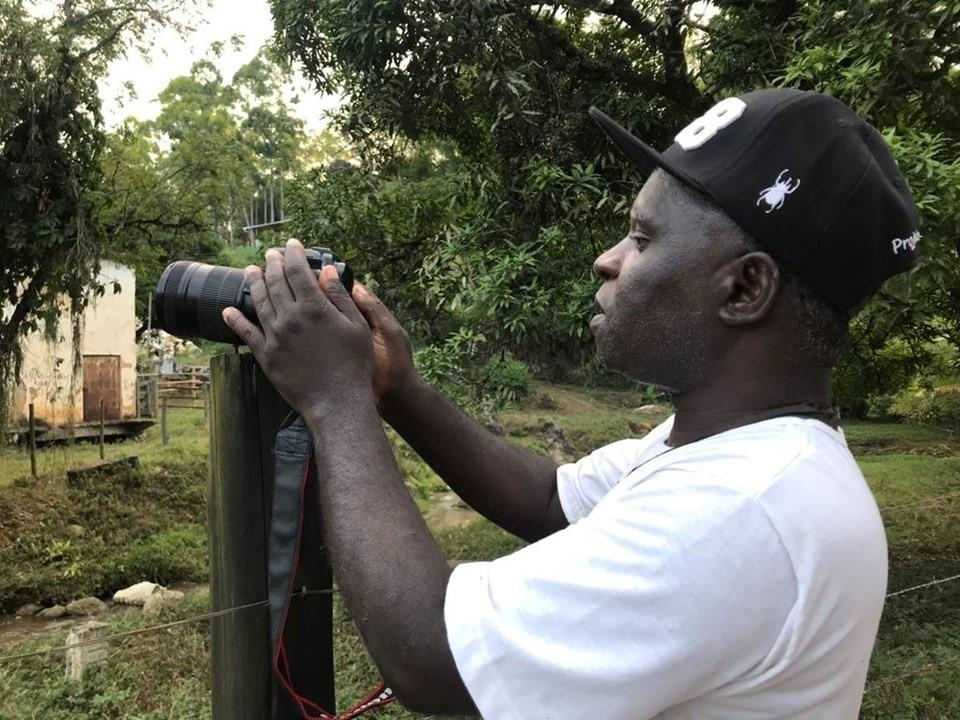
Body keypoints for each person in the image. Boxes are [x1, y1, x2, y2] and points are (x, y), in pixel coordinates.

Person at [222, 87, 921, 719]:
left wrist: (336, 398)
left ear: (744, 290)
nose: (607, 259)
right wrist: (397, 391)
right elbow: (551, 499)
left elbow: (436, 661)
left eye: (643, 238)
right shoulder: (738, 451)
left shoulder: (741, 511)